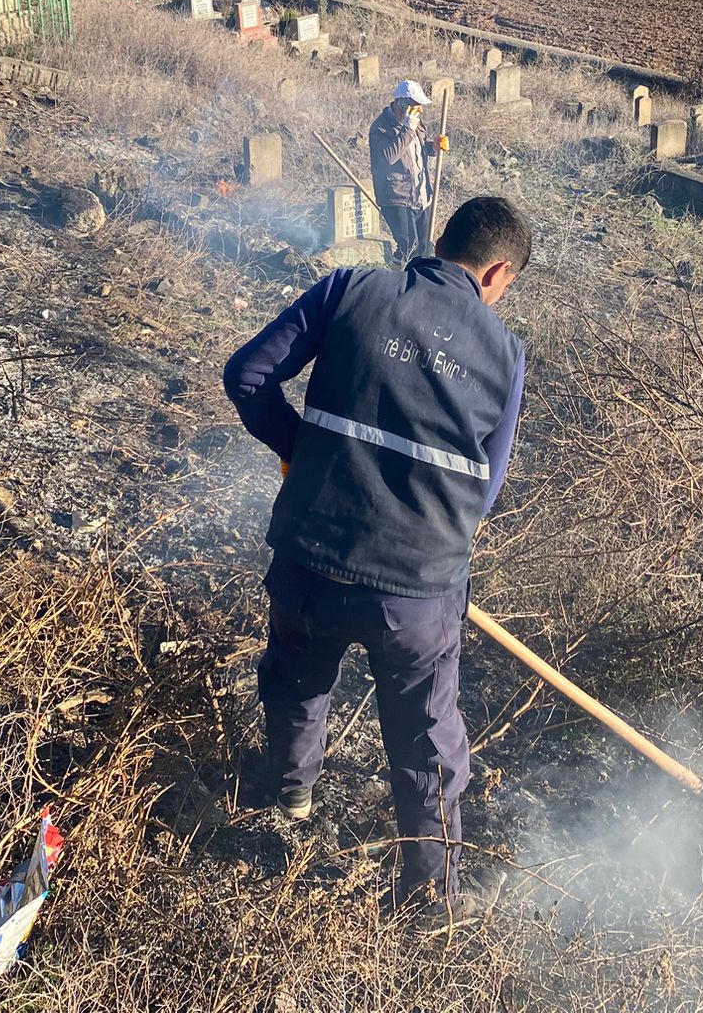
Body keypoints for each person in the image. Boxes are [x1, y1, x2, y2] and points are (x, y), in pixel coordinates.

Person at [221, 195, 531, 917]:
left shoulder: (350, 287)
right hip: (418, 593)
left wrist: (300, 451)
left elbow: (247, 377)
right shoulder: (505, 354)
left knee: (297, 673)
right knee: (427, 741)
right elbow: (484, 491)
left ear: (439, 239)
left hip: (312, 557)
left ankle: (288, 799)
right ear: (498, 273)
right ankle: (431, 900)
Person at [368, 80, 447, 265]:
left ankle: (418, 284)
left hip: (420, 194)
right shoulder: (380, 127)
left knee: (423, 247)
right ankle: (396, 278)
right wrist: (407, 128)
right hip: (396, 196)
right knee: (408, 245)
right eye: (416, 105)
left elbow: (417, 151)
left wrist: (433, 147)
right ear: (402, 103)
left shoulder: (416, 124)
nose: (420, 110)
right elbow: (389, 157)